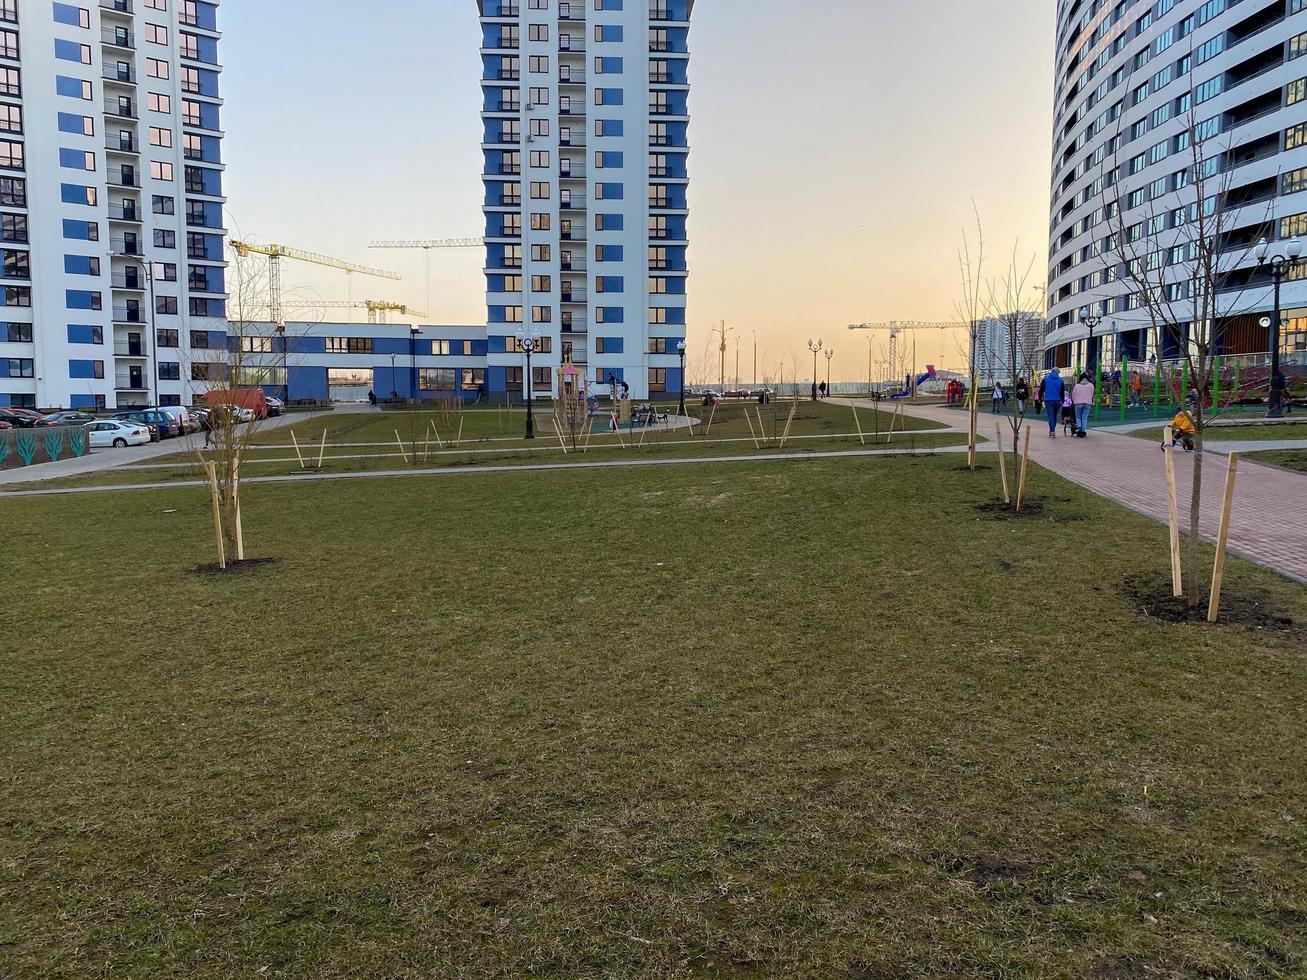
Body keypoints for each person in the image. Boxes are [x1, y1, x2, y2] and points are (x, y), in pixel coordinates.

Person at [1042, 369, 1065, 437]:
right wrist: (1062, 401)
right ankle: (1052, 430)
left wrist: (1040, 397)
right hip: (1057, 400)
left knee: (1051, 416)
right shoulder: (1061, 380)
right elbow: (1062, 392)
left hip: (1048, 400)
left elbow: (1041, 389)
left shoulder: (1046, 379)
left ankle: (1052, 431)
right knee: (1054, 416)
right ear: (1058, 372)